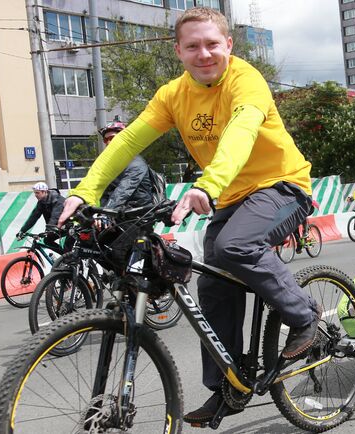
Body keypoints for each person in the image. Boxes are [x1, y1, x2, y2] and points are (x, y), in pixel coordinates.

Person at [57, 8, 318, 424]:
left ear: (228, 45)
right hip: (229, 195)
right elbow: (127, 143)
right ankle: (228, 387)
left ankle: (306, 318)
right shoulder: (172, 95)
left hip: (282, 186)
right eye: (193, 46)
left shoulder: (245, 80)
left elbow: (242, 130)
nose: (204, 53)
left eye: (213, 44)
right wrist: (84, 192)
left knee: (236, 247)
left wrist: (206, 185)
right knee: (213, 285)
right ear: (178, 50)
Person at [98, 116, 157, 209]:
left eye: (112, 138)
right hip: (120, 214)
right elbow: (105, 191)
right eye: (106, 139)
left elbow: (124, 189)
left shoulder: (136, 162)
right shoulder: (114, 164)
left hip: (139, 216)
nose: (108, 142)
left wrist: (107, 211)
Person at [17, 182, 65, 253]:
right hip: (56, 228)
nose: (35, 195)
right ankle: (64, 259)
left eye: (37, 193)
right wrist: (22, 231)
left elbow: (55, 216)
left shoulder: (58, 200)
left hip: (67, 227)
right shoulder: (41, 202)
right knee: (47, 240)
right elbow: (33, 217)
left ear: (44, 192)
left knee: (67, 249)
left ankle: (68, 259)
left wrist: (48, 229)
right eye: (35, 193)